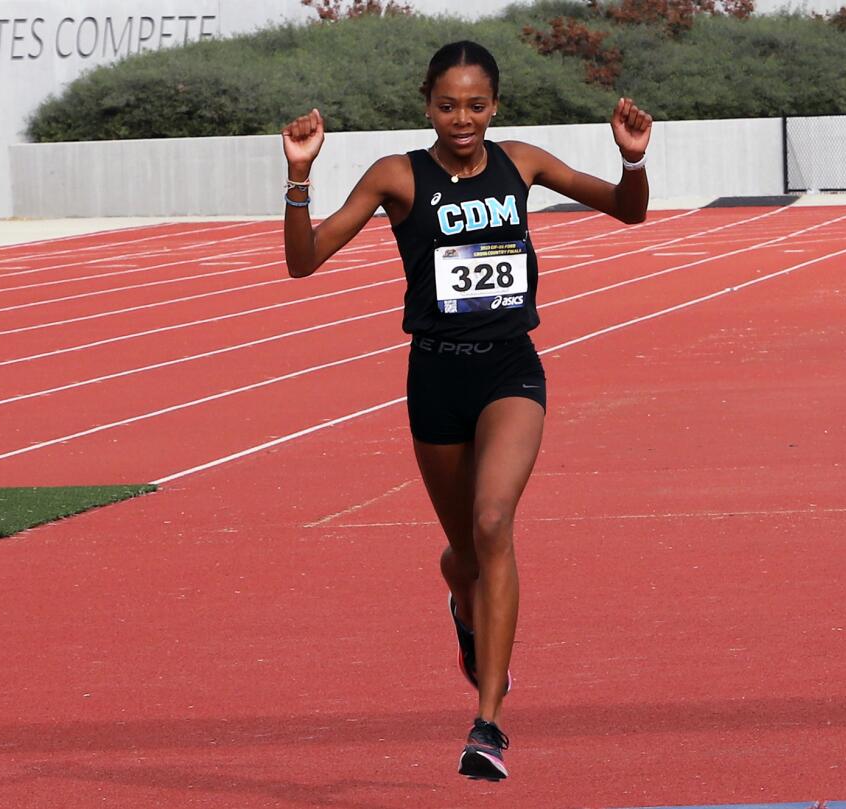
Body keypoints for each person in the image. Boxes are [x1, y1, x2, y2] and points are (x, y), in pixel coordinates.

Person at [281, 40, 651, 782]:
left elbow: (627, 212)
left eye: (476, 105)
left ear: (496, 106)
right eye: (448, 105)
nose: (462, 119)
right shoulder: (397, 176)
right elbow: (304, 259)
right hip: (435, 378)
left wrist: (633, 162)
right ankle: (462, 605)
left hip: (511, 369)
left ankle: (488, 725)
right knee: (465, 555)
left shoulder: (523, 163)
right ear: (427, 104)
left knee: (492, 525)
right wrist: (299, 178)